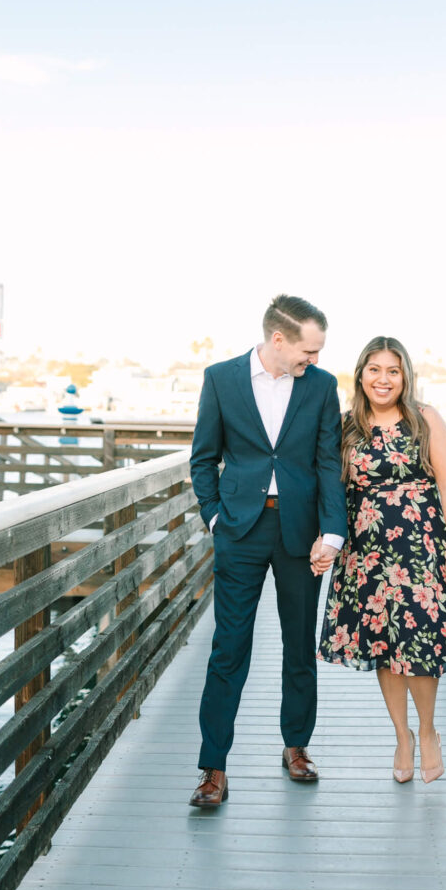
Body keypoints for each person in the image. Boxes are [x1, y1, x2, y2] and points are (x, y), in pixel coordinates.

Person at [188, 294, 347, 807]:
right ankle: (214, 766)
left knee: (300, 645)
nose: (314, 361)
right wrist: (215, 517)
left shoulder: (321, 387)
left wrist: (332, 532)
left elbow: (328, 464)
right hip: (239, 530)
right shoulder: (221, 378)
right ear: (279, 339)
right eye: (309, 350)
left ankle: (296, 746)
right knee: (228, 648)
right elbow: (203, 459)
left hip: (301, 534)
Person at [315, 336, 446, 784]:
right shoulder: (347, 425)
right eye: (375, 370)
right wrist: (325, 540)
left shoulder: (424, 420)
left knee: (419, 646)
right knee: (384, 648)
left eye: (393, 370)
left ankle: (428, 731)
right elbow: (330, 488)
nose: (383, 379)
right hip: (366, 554)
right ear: (361, 375)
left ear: (405, 375)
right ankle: (402, 736)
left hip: (420, 550)